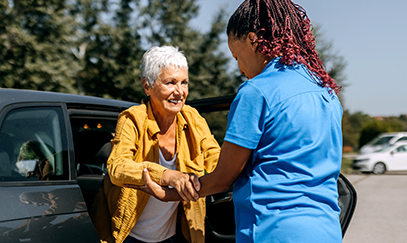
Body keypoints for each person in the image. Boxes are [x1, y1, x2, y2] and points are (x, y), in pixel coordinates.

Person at [132, 1, 343, 242]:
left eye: (236, 56)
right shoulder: (326, 91)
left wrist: (168, 193)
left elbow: (223, 178)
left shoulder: (257, 91)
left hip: (272, 230)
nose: (240, 68)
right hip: (327, 229)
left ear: (253, 40)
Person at [90, 46, 220, 243]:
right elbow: (118, 167)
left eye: (184, 82)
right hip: (128, 235)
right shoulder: (132, 119)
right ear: (147, 86)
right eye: (170, 82)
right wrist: (169, 176)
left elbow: (216, 159)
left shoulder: (193, 118)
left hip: (175, 236)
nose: (179, 91)